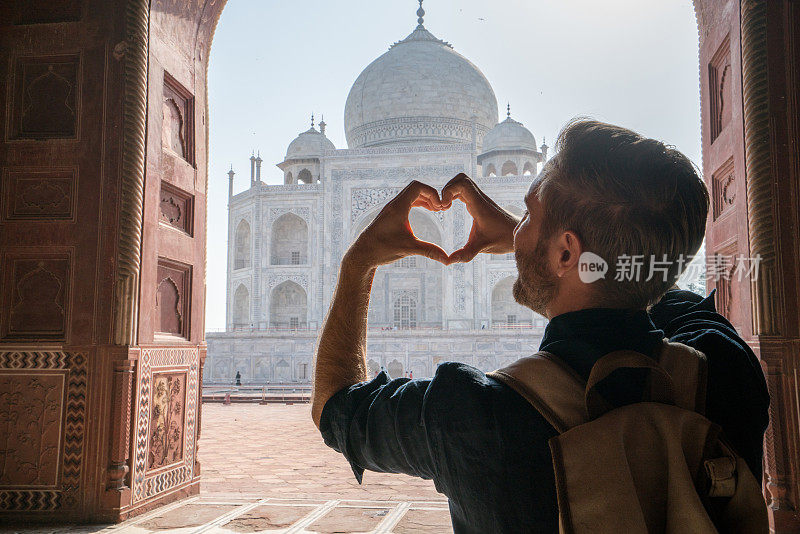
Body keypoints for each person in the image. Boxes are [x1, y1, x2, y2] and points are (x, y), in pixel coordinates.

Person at [311, 120, 770, 533]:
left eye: (528, 214)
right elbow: (651, 292)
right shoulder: (726, 369)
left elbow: (334, 409)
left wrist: (358, 264)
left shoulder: (471, 415)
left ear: (568, 254)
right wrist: (547, 251)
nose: (517, 230)